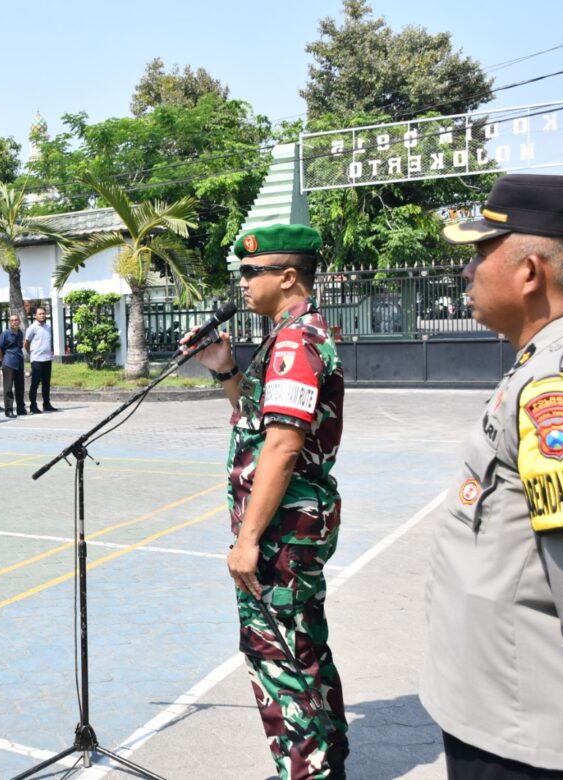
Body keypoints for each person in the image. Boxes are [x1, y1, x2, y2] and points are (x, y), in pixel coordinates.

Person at [422, 175, 563, 779]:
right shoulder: (552, 364)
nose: (467, 273)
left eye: (479, 255)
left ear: (529, 273)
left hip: (525, 732)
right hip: (506, 707)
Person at [188, 223, 348, 778]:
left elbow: (281, 446)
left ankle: (305, 771)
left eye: (251, 273)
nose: (243, 283)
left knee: (277, 652)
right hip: (292, 525)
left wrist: (248, 540)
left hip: (282, 528)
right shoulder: (286, 337)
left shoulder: (297, 341)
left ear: (287, 277)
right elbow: (262, 419)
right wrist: (226, 368)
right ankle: (327, 759)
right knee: (304, 643)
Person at [25, 306, 56, 413]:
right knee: (35, 383)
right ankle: (33, 405)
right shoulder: (32, 328)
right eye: (40, 314)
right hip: (37, 359)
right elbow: (26, 343)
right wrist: (32, 353)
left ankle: (46, 404)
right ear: (35, 315)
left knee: (46, 383)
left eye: (44, 313)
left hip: (47, 359)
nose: (42, 315)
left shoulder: (48, 327)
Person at [0, 313, 27, 418]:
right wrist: (2, 362)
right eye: (12, 320)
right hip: (8, 362)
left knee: (20, 387)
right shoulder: (5, 334)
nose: (14, 322)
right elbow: (0, 349)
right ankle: (8, 410)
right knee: (8, 388)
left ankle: (21, 408)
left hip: (19, 362)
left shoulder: (20, 333)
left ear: (19, 321)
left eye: (16, 320)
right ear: (9, 322)